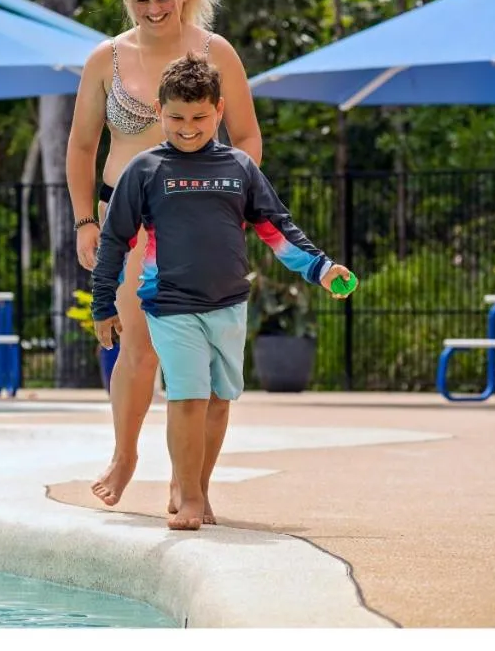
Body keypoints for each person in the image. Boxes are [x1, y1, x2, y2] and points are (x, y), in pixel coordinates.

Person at [90, 54, 352, 529]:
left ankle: (197, 485)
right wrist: (103, 303)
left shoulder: (240, 168)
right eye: (176, 117)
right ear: (158, 110)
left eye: (199, 117)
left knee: (217, 400)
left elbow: (277, 229)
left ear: (219, 109)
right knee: (187, 396)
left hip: (228, 303)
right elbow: (115, 241)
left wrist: (322, 267)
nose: (187, 127)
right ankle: (188, 495)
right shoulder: (145, 171)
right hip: (170, 304)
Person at [65, 0, 264, 512]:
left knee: (201, 361)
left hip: (201, 223)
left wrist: (234, 200)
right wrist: (84, 222)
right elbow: (81, 147)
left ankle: (189, 484)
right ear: (128, 0)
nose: (153, 10)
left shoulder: (215, 51)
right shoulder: (106, 58)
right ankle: (125, 455)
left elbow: (246, 135)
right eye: (141, 0)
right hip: (128, 222)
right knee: (139, 349)